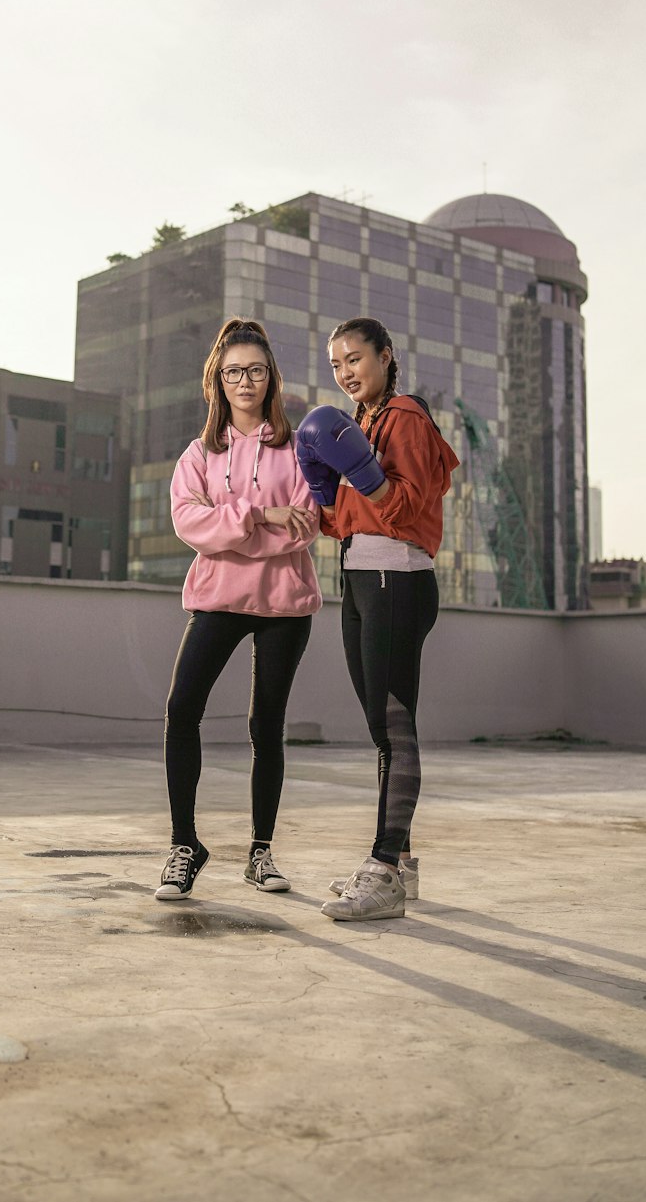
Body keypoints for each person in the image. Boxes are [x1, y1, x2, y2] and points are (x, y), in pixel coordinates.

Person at [295, 317, 459, 922]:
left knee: (393, 724)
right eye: (336, 364)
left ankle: (384, 867)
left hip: (397, 577)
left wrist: (362, 478)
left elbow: (410, 503)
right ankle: (404, 862)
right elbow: (347, 520)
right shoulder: (361, 422)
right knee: (379, 724)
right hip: (363, 577)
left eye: (355, 359)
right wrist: (323, 490)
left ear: (387, 356)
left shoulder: (407, 416)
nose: (345, 373)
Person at [155, 318, 323, 901]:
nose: (244, 381)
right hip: (218, 599)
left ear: (270, 376)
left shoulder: (301, 447)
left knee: (265, 726)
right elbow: (189, 525)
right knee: (182, 710)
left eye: (254, 370)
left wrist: (233, 527)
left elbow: (304, 528)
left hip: (285, 605)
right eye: (233, 372)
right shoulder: (200, 453)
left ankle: (260, 852)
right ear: (216, 381)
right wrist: (258, 515)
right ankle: (184, 844)